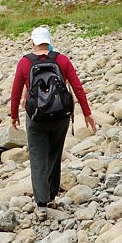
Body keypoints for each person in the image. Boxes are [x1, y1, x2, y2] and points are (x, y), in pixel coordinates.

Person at [10, 26, 95, 219]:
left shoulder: (25, 63)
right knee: (55, 154)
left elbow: (15, 93)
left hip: (36, 117)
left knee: (38, 157)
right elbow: (77, 87)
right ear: (49, 41)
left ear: (33, 42)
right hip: (60, 116)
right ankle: (51, 196)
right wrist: (87, 113)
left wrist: (13, 115)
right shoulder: (62, 60)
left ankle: (41, 204)